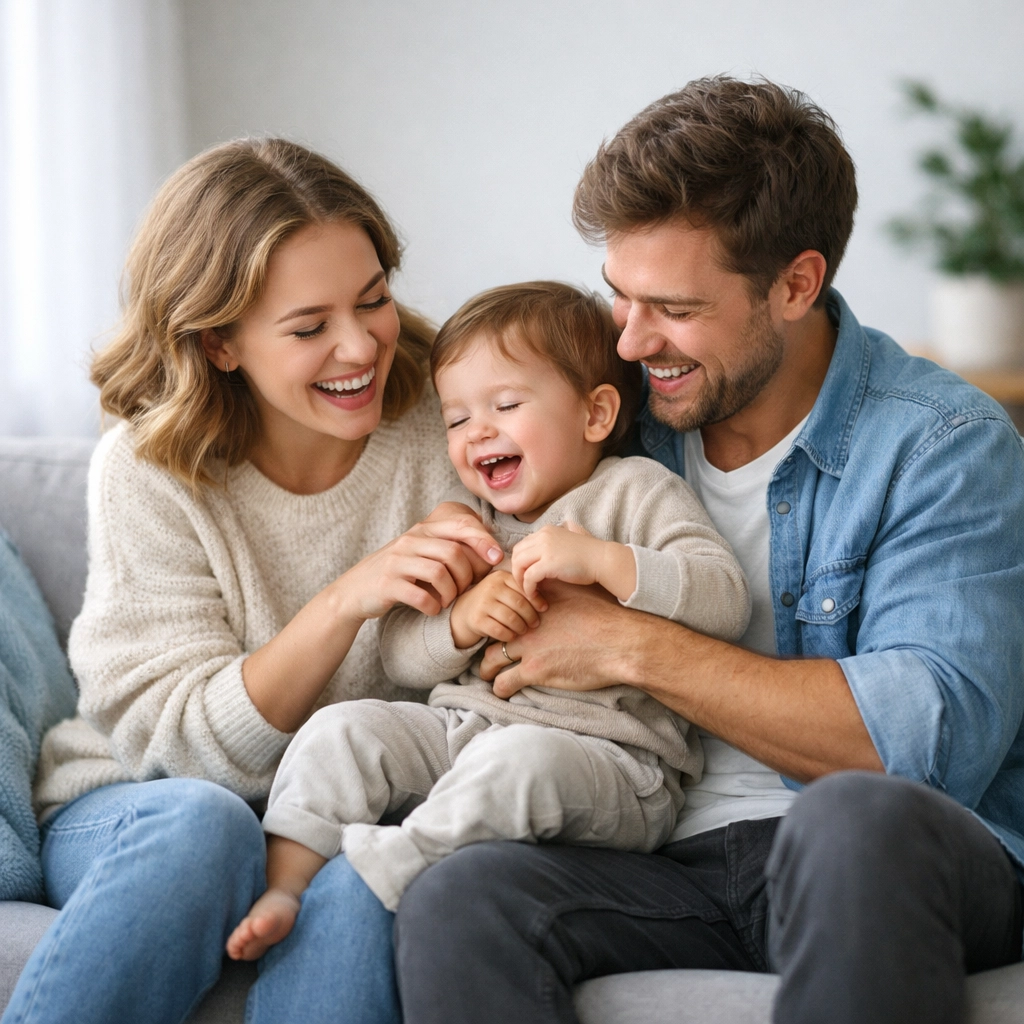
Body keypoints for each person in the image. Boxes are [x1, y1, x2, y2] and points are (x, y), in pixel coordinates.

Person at [392, 78, 1024, 1024]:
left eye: (675, 308)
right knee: (462, 895)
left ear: (797, 284)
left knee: (852, 816)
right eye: (620, 296)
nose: (632, 340)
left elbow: (920, 746)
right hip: (655, 852)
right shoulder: (609, 425)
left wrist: (626, 644)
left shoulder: (940, 444)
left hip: (883, 857)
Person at [3, 138, 504, 1024]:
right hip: (142, 803)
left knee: (366, 875)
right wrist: (349, 598)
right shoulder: (149, 469)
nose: (360, 346)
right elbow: (176, 749)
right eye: (309, 327)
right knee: (209, 827)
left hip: (359, 810)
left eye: (375, 299)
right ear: (220, 343)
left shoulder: (453, 418)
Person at [226, 281, 750, 959]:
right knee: (345, 727)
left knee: (518, 760)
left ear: (595, 414)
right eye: (455, 420)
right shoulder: (473, 526)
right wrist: (461, 622)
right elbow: (401, 659)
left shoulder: (635, 492)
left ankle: (393, 863)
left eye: (505, 405)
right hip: (465, 733)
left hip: (614, 763)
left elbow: (725, 598)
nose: (478, 432)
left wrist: (608, 562)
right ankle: (285, 882)